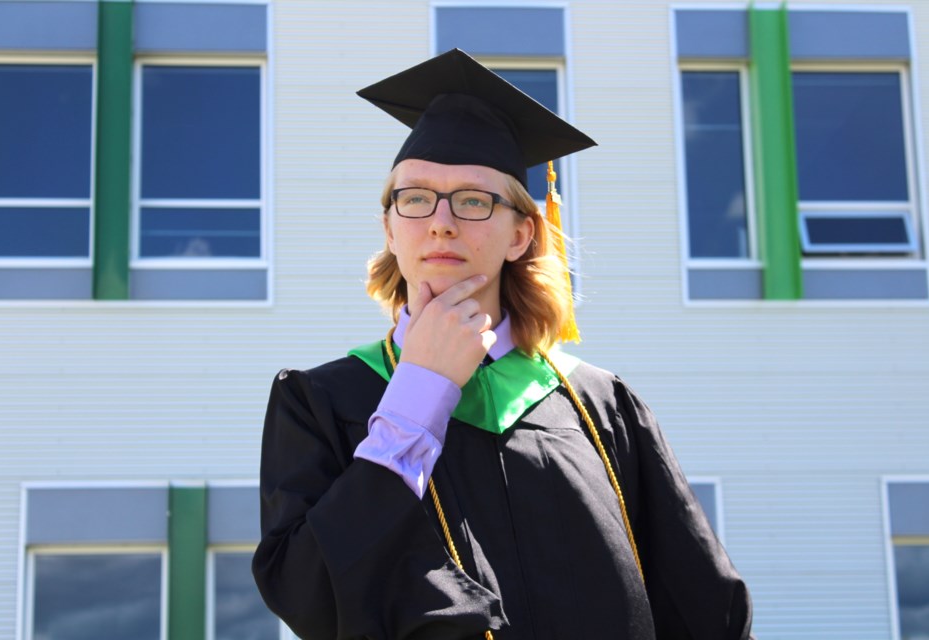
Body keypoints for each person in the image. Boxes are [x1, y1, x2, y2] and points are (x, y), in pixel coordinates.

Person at [253, 49, 754, 640]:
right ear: (390, 228)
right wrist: (419, 393)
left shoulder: (600, 407)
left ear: (521, 233)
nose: (440, 222)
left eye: (473, 200)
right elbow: (307, 592)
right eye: (414, 198)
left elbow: (704, 610)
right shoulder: (322, 402)